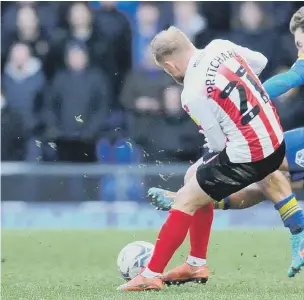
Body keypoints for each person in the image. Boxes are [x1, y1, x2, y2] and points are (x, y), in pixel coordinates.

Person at [148, 5, 304, 283]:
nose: (299, 52)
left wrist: (249, 98)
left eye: (300, 43)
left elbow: (287, 80)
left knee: (263, 152)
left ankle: (299, 228)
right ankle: (204, 200)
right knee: (267, 184)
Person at [118, 26, 292, 292]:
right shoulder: (220, 46)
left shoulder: (192, 91)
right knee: (194, 177)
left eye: (167, 70)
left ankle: (150, 274)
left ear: (170, 64)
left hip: (252, 153)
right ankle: (196, 263)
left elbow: (218, 144)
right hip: (274, 139)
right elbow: (261, 62)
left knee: (187, 197)